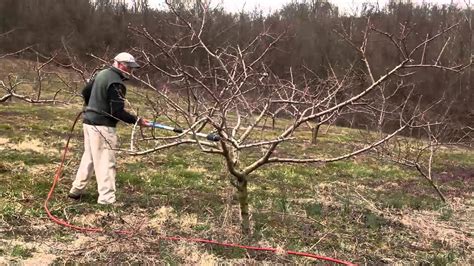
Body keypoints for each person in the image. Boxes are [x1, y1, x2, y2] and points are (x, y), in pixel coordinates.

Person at [68, 52, 150, 204]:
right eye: (128, 67)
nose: (130, 71)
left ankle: (76, 190)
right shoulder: (116, 83)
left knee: (90, 157)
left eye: (132, 68)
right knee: (105, 161)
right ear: (119, 64)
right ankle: (107, 199)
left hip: (88, 122)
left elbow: (85, 92)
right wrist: (137, 120)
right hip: (102, 127)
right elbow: (116, 112)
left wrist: (91, 106)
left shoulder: (102, 74)